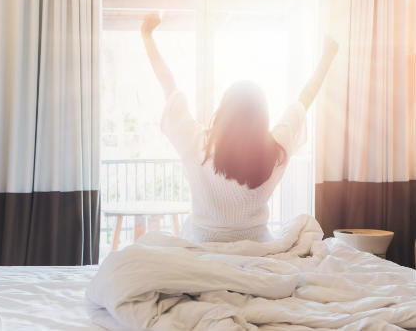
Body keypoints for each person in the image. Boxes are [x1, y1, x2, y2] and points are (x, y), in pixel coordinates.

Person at [141, 13, 338, 243]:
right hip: (258, 247)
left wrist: (147, 36)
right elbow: (304, 99)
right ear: (263, 117)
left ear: (223, 113)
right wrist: (327, 57)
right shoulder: (276, 151)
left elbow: (169, 86)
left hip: (202, 245)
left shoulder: (198, 146)